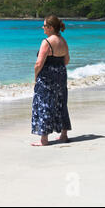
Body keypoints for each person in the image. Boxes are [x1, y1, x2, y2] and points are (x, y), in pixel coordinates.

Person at [31, 15, 71, 146]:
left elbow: (39, 63)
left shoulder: (47, 42)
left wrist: (36, 77)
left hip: (47, 76)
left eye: (45, 26)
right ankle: (64, 135)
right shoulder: (63, 40)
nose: (43, 28)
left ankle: (44, 140)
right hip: (61, 74)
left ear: (51, 27)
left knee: (44, 103)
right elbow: (66, 61)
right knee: (61, 103)